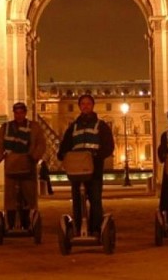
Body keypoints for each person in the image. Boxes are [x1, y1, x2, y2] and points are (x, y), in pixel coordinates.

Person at [57, 94, 115, 235]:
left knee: (95, 200)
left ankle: (95, 229)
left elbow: (109, 146)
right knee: (77, 201)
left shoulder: (101, 126)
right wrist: (61, 154)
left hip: (94, 169)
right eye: (83, 103)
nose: (85, 106)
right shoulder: (72, 127)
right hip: (77, 171)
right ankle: (78, 228)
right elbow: (65, 145)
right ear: (79, 106)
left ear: (93, 105)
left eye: (88, 103)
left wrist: (98, 156)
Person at [0, 102, 47, 229]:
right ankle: (11, 221)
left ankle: (26, 221)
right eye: (16, 113)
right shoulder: (8, 127)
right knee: (11, 197)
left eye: (21, 112)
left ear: (25, 113)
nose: (19, 115)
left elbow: (41, 143)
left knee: (27, 194)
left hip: (26, 164)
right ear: (14, 113)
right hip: (13, 165)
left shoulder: (32, 127)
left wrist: (33, 157)